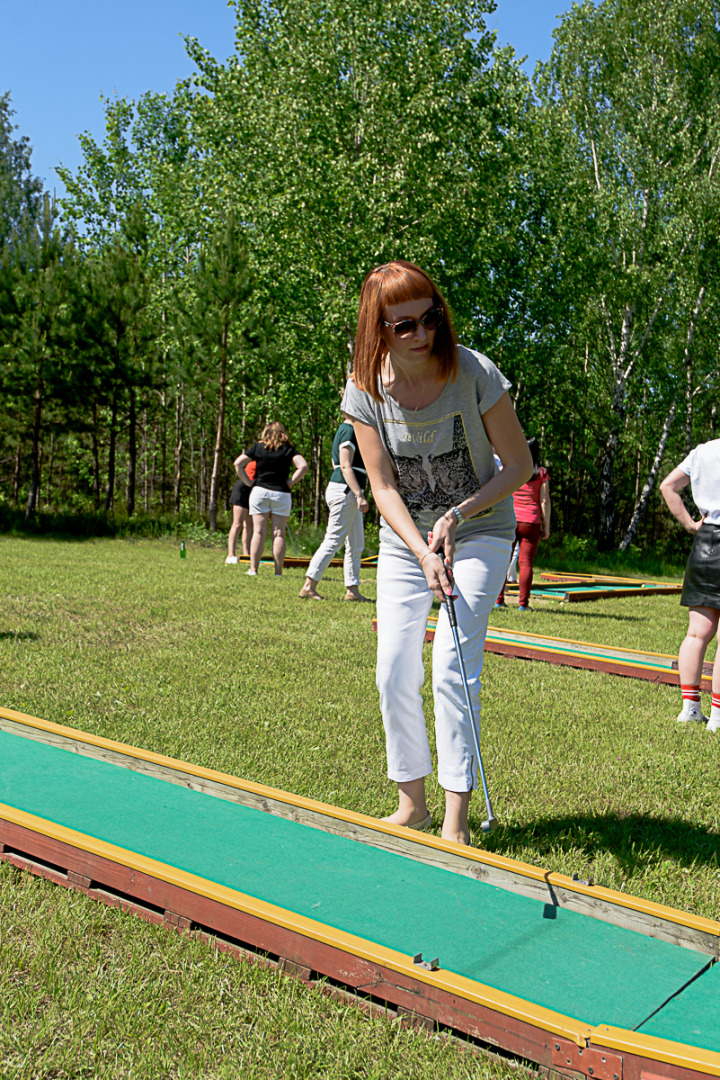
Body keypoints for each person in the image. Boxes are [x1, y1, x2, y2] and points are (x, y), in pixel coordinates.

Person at [342, 260, 532, 845]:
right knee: (393, 670)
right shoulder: (365, 387)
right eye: (404, 326)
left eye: (431, 318)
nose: (422, 334)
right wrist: (421, 551)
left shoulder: (473, 372)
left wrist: (456, 515)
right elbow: (382, 487)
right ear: (378, 330)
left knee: (451, 666)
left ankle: (456, 820)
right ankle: (412, 804)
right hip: (407, 543)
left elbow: (519, 467)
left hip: (479, 529)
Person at [660, 438, 720, 731]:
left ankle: (690, 709)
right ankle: (718, 718)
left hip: (705, 542)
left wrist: (690, 524)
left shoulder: (702, 451)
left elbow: (667, 486)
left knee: (697, 633)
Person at [299, 415, 372, 601]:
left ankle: (352, 590)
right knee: (333, 540)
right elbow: (345, 466)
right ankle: (309, 586)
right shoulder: (349, 431)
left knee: (356, 544)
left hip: (346, 490)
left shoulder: (346, 429)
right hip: (346, 491)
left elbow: (336, 463)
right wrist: (359, 494)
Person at [234, 422, 308, 577]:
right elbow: (303, 466)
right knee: (279, 533)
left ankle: (253, 569)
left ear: (265, 432)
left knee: (259, 532)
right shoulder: (289, 449)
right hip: (281, 493)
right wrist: (291, 482)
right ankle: (278, 572)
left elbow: (238, 463)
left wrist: (248, 482)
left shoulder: (258, 448)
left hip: (260, 492)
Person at [495, 437, 551, 612]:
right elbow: (544, 500)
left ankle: (498, 600)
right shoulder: (541, 473)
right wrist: (547, 526)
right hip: (531, 522)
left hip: (510, 520)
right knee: (526, 563)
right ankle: (523, 604)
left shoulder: (511, 469)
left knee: (504, 561)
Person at [226, 458, 257, 564]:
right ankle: (231, 554)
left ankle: (246, 554)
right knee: (237, 523)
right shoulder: (259, 459)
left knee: (249, 525)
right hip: (243, 489)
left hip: (253, 490)